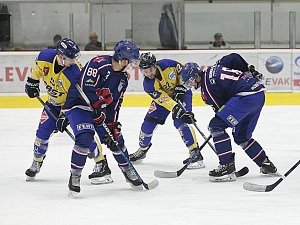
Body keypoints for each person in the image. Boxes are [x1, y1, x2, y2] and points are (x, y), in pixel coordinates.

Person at [177, 53, 277, 182]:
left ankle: (226, 166)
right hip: (258, 94)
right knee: (241, 136)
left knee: (215, 126)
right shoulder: (215, 67)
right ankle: (265, 163)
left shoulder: (206, 89)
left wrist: (220, 128)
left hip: (245, 97)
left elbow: (221, 111)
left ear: (196, 76)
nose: (190, 85)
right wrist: (248, 69)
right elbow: (233, 57)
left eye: (190, 81)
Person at [24, 38, 112, 185]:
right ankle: (37, 162)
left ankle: (101, 161)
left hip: (74, 105)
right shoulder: (45, 57)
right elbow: (37, 70)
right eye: (71, 58)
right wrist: (32, 82)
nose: (73, 61)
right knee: (42, 134)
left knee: (83, 134)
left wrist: (64, 115)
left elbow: (76, 97)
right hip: (53, 103)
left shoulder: (74, 73)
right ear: (60, 56)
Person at [62, 40, 140, 195]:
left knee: (116, 139)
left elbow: (115, 105)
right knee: (84, 138)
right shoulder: (99, 63)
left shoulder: (123, 79)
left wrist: (113, 125)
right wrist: (97, 106)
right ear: (123, 60)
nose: (131, 65)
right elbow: (86, 86)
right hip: (79, 105)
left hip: (99, 111)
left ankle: (128, 170)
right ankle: (75, 176)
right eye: (130, 62)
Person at [129, 52, 205, 170]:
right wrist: (175, 107)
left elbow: (184, 73)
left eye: (150, 70)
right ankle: (142, 149)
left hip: (183, 94)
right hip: (165, 99)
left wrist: (182, 87)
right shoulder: (148, 85)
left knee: (180, 121)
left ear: (155, 65)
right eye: (145, 71)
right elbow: (163, 100)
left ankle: (195, 152)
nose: (148, 74)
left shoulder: (167, 64)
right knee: (147, 124)